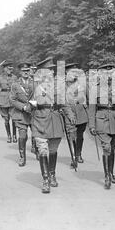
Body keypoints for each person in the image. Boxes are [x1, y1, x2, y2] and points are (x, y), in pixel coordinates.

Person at [31, 57, 76, 193]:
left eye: (51, 70)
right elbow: (24, 100)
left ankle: (52, 174)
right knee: (43, 149)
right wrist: (28, 106)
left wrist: (70, 115)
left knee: (53, 150)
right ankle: (45, 179)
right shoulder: (33, 85)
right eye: (48, 70)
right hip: (40, 120)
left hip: (55, 119)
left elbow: (64, 103)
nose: (51, 72)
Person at [89, 62, 115, 189]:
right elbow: (92, 107)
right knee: (106, 147)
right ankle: (107, 177)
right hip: (102, 119)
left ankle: (111, 172)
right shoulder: (95, 88)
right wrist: (92, 125)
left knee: (112, 147)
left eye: (111, 73)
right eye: (105, 72)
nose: (108, 75)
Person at [9, 62, 34, 167]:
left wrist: (34, 104)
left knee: (37, 135)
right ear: (20, 72)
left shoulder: (35, 83)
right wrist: (23, 107)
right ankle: (22, 157)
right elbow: (12, 100)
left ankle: (36, 150)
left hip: (33, 113)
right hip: (21, 114)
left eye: (27, 71)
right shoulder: (15, 85)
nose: (26, 73)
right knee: (23, 136)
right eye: (24, 71)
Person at [65, 62, 89, 166]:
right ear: (66, 72)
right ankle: (73, 156)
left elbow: (89, 96)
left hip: (81, 111)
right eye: (71, 71)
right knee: (72, 134)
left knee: (80, 135)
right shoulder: (62, 85)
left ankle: (78, 153)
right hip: (69, 111)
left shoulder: (82, 83)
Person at [0, 60, 17, 143]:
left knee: (14, 118)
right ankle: (9, 136)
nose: (11, 69)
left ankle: (14, 136)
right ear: (4, 68)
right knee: (6, 119)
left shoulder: (14, 77)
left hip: (13, 100)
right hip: (3, 100)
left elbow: (18, 89)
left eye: (11, 68)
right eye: (8, 68)